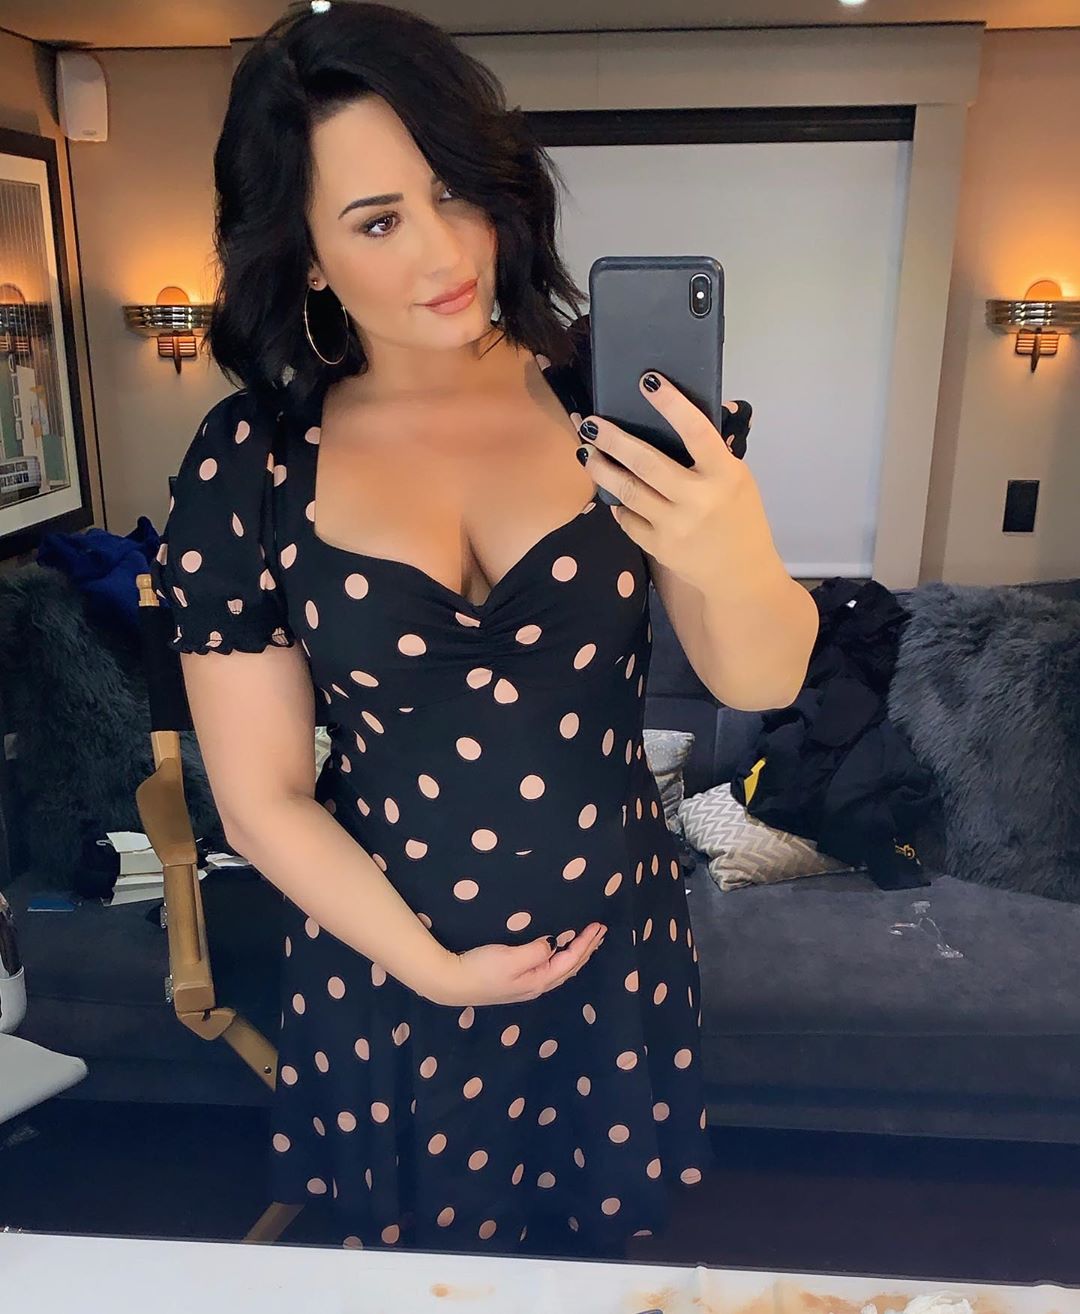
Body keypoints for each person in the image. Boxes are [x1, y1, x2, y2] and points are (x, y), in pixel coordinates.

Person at [152, 0, 816, 1260]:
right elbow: (261, 799)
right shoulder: (253, 460)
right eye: (377, 220)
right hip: (386, 960)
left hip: (610, 947)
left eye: (457, 190)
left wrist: (730, 541)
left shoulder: (611, 398)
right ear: (304, 254)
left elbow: (762, 674)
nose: (445, 247)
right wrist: (435, 968)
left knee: (594, 1269)